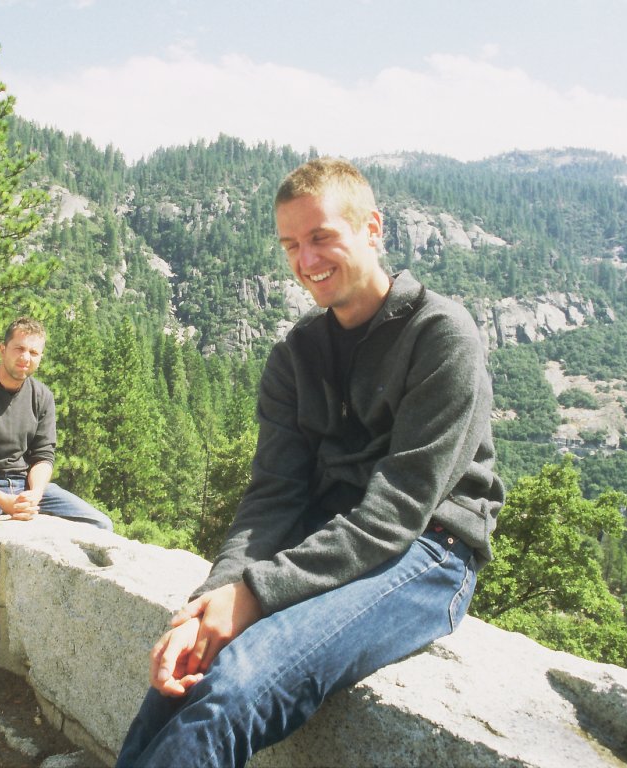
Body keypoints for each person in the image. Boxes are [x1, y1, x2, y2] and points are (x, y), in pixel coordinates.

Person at [116, 157, 505, 768]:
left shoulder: (440, 335)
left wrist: (253, 595)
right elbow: (272, 496)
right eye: (291, 245)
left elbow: (397, 511)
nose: (306, 260)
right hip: (325, 543)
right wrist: (212, 597)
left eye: (321, 237)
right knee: (187, 672)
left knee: (233, 691)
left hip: (428, 551)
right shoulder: (295, 356)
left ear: (372, 229)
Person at [0, 317, 113, 643]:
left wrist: (35, 494)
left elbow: (43, 456)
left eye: (34, 352)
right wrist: (4, 502)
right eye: (19, 349)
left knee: (100, 524)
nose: (26, 358)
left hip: (24, 484)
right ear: (2, 349)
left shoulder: (42, 396)